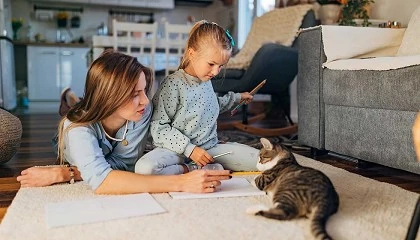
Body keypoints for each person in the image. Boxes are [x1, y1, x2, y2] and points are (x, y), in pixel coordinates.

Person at [17, 50, 231, 194]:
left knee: (87, 107)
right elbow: (102, 181)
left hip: (103, 114)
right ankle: (71, 100)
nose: (146, 101)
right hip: (70, 136)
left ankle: (73, 98)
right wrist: (182, 182)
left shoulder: (141, 111)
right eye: (135, 94)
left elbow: (125, 167)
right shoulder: (77, 130)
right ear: (109, 96)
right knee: (72, 114)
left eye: (144, 90)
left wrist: (71, 173)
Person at [135, 20, 259, 175]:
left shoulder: (205, 79)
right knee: (145, 169)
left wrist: (237, 98)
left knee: (261, 160)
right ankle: (192, 168)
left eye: (220, 66)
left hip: (209, 150)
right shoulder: (173, 84)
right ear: (192, 54)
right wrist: (190, 149)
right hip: (175, 151)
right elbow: (158, 128)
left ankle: (205, 166)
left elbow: (210, 105)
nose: (215, 72)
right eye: (211, 64)